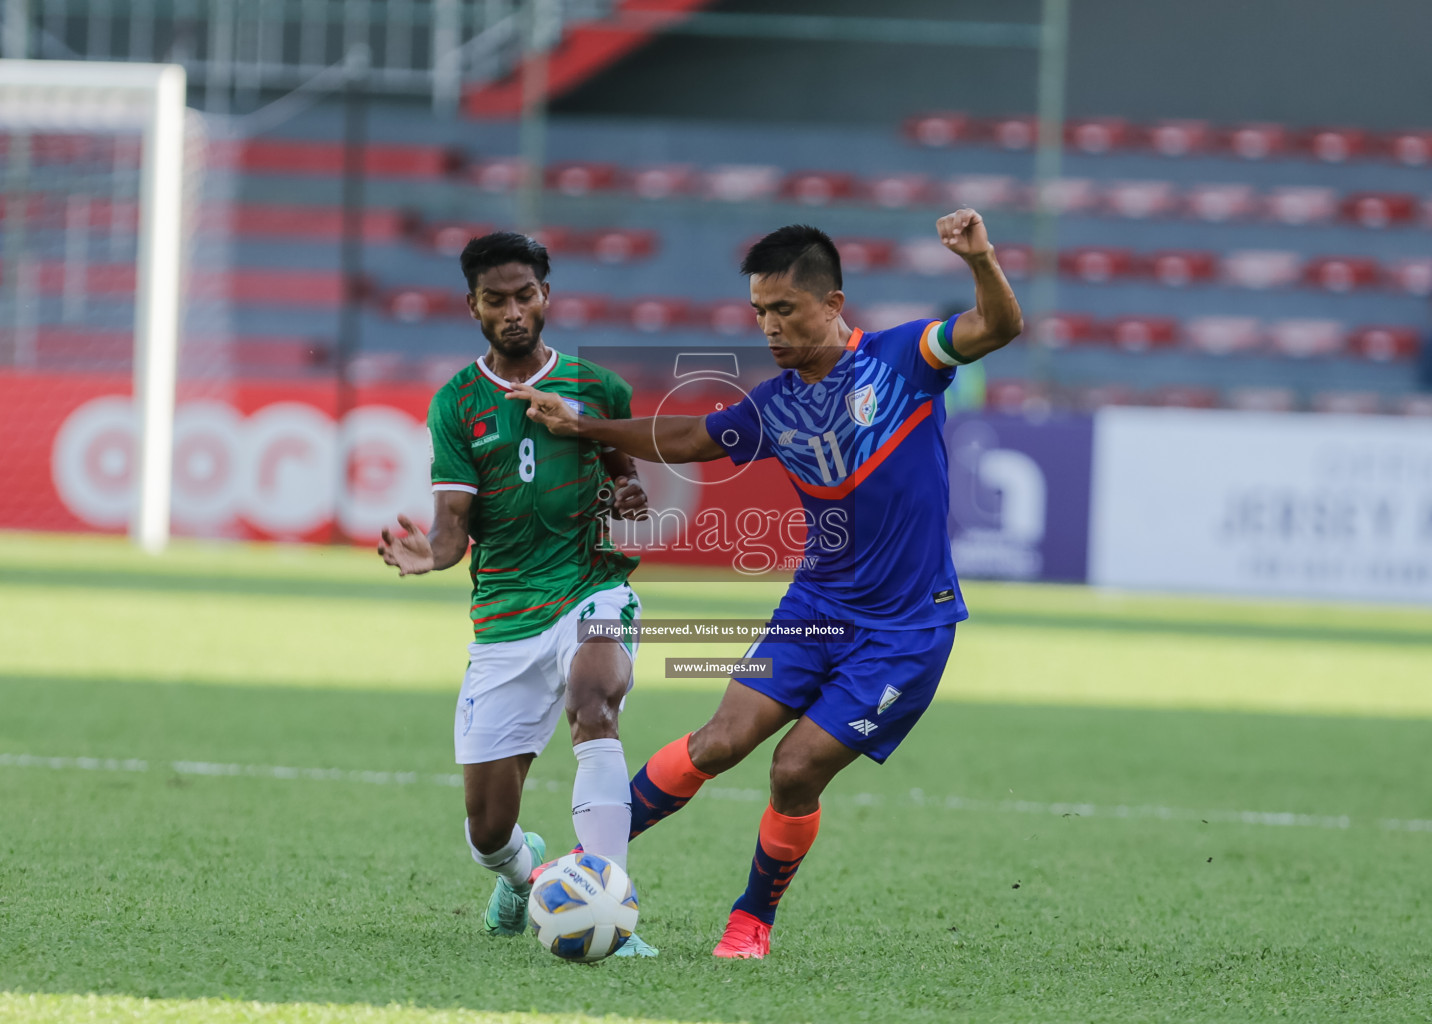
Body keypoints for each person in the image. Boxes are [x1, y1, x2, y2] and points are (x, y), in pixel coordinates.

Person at [509, 209, 1023, 958]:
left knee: (793, 771)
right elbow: (688, 438)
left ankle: (752, 918)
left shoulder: (904, 358)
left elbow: (996, 327)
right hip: (814, 608)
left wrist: (980, 258)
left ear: (833, 305)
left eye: (785, 310)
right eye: (759, 312)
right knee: (719, 742)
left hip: (906, 632)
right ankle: (581, 869)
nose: (770, 328)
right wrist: (581, 424)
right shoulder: (775, 404)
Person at [377, 231, 658, 957]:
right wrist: (427, 556)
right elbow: (451, 531)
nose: (512, 310)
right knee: (488, 830)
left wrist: (627, 496)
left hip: (591, 589)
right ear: (471, 305)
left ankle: (611, 915)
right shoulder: (457, 404)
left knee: (596, 706)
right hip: (505, 617)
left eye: (524, 295)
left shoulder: (596, 386)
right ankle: (524, 875)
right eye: (495, 299)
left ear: (546, 297)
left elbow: (626, 471)